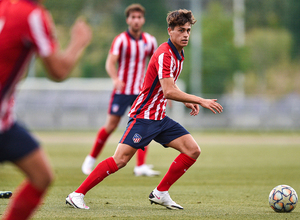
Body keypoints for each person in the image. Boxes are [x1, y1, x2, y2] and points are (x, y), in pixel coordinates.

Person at [66, 9, 223, 210]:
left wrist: (185, 100)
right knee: (120, 160)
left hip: (159, 118)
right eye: (181, 30)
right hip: (144, 117)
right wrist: (200, 100)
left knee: (192, 150)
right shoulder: (164, 54)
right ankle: (76, 194)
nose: (185, 34)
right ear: (170, 31)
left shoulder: (178, 54)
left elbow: (168, 86)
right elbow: (168, 91)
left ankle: (160, 192)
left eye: (188, 30)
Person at [0, 0, 92, 219]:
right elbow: (58, 71)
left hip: (5, 121)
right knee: (41, 177)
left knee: (41, 175)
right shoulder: (32, 15)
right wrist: (78, 42)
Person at [81, 3, 160, 177]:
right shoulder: (121, 40)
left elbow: (155, 65)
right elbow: (110, 62)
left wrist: (159, 88)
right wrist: (115, 78)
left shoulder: (150, 40)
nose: (136, 20)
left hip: (141, 92)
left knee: (144, 125)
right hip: (122, 90)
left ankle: (140, 166)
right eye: (133, 17)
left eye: (139, 17)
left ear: (143, 20)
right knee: (111, 125)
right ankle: (90, 159)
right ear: (128, 20)